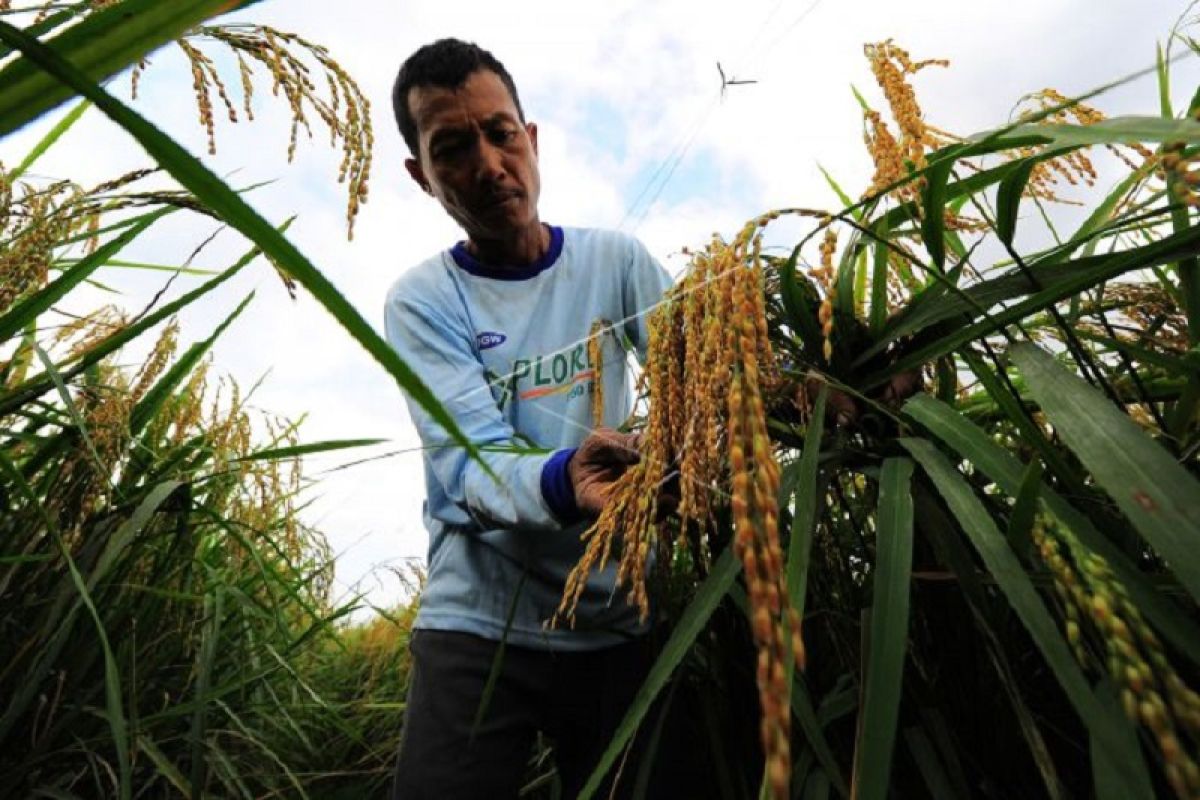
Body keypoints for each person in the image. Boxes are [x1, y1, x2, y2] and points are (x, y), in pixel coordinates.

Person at [383, 39, 684, 799]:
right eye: (452, 148)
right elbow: (467, 461)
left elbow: (709, 381)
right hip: (479, 623)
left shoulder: (615, 263)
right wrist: (565, 478)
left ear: (532, 139)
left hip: (617, 615)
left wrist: (828, 384)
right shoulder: (423, 301)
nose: (487, 166)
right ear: (423, 177)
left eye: (500, 134)